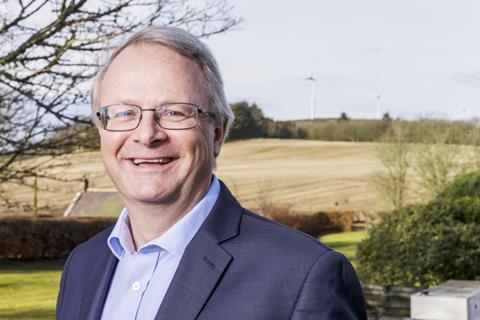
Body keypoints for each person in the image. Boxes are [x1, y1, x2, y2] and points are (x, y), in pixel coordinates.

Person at [56, 26, 367, 320]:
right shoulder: (83, 266)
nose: (147, 134)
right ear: (101, 130)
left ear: (217, 133)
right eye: (124, 113)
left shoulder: (303, 276)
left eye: (174, 112)